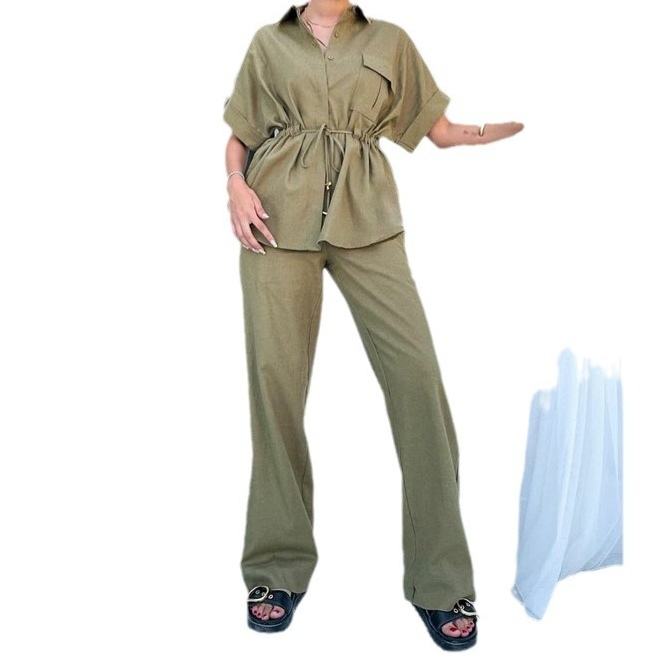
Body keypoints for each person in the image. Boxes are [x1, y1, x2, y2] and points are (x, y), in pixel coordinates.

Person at [223, 0, 523, 651]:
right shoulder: (268, 42)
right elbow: (242, 131)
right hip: (274, 218)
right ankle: (276, 569)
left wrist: (493, 129)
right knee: (275, 390)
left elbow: (438, 130)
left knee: (418, 381)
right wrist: (235, 187)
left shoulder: (389, 41)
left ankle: (440, 579)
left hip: (369, 218)